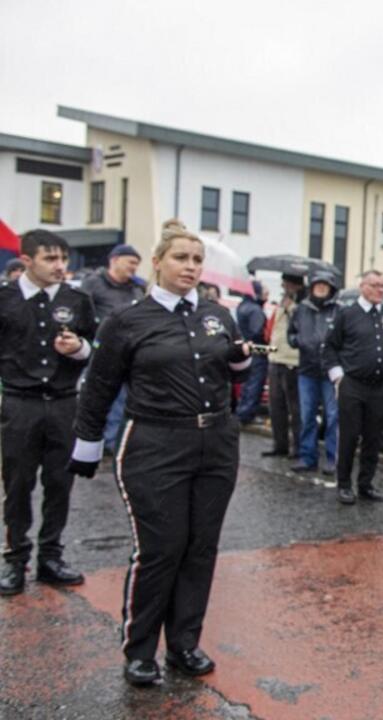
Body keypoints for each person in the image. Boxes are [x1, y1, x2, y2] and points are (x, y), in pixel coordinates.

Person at [68, 218, 251, 687]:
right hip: (154, 445)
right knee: (161, 548)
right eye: (181, 258)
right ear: (157, 262)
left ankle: (184, 642)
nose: (190, 267)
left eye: (197, 260)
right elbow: (99, 386)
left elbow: (234, 373)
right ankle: (141, 649)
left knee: (200, 547)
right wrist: (87, 444)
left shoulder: (217, 314)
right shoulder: (126, 320)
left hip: (215, 444)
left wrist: (242, 361)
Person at [0, 230, 97, 596]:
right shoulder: (5, 298)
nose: (60, 266)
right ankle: (15, 559)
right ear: (27, 260)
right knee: (17, 483)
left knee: (60, 482)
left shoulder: (77, 299)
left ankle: (51, 556)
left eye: (63, 259)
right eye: (50, 259)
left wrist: (78, 348)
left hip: (63, 401)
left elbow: (95, 347)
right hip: (20, 402)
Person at [322, 269, 383, 504]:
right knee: (349, 436)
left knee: (373, 438)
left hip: (379, 386)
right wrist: (338, 376)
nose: (381, 290)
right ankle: (344, 484)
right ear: (363, 287)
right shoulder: (347, 314)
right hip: (353, 384)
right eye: (376, 285)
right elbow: (329, 347)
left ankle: (366, 484)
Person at [80, 244, 146, 455]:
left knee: (124, 399)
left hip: (130, 353)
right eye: (131, 262)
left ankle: (115, 441)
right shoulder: (93, 284)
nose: (134, 268)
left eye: (137, 264)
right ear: (115, 260)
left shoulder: (137, 289)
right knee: (101, 396)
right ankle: (99, 439)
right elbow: (81, 313)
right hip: (101, 351)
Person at [289, 270, 341, 474]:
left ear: (331, 289)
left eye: (324, 285)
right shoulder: (300, 309)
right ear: (311, 288)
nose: (321, 288)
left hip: (330, 371)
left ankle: (333, 459)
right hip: (307, 370)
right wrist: (299, 341)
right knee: (307, 415)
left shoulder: (339, 310)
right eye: (318, 284)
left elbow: (345, 338)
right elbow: (291, 334)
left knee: (333, 417)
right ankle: (307, 457)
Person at [263, 274, 303, 459]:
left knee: (294, 408)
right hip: (275, 357)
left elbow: (303, 327)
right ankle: (280, 444)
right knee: (276, 405)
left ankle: (298, 447)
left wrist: (291, 309)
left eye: (286, 283)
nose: (283, 286)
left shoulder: (302, 305)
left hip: (292, 360)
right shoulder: (282, 302)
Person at [234, 280, 269, 425]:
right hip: (257, 350)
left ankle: (242, 411)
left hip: (246, 349)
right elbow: (257, 332)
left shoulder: (242, 306)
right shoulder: (255, 310)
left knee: (247, 383)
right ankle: (247, 414)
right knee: (255, 383)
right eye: (265, 291)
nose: (267, 294)